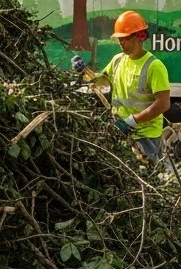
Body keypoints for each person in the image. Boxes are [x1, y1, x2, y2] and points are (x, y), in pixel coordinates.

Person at [72, 10, 171, 162]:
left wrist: (132, 121)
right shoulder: (118, 60)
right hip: (121, 131)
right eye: (119, 38)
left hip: (146, 137)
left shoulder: (154, 67)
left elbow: (163, 104)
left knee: (145, 178)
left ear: (140, 37)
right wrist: (84, 71)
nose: (120, 42)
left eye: (125, 38)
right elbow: (101, 83)